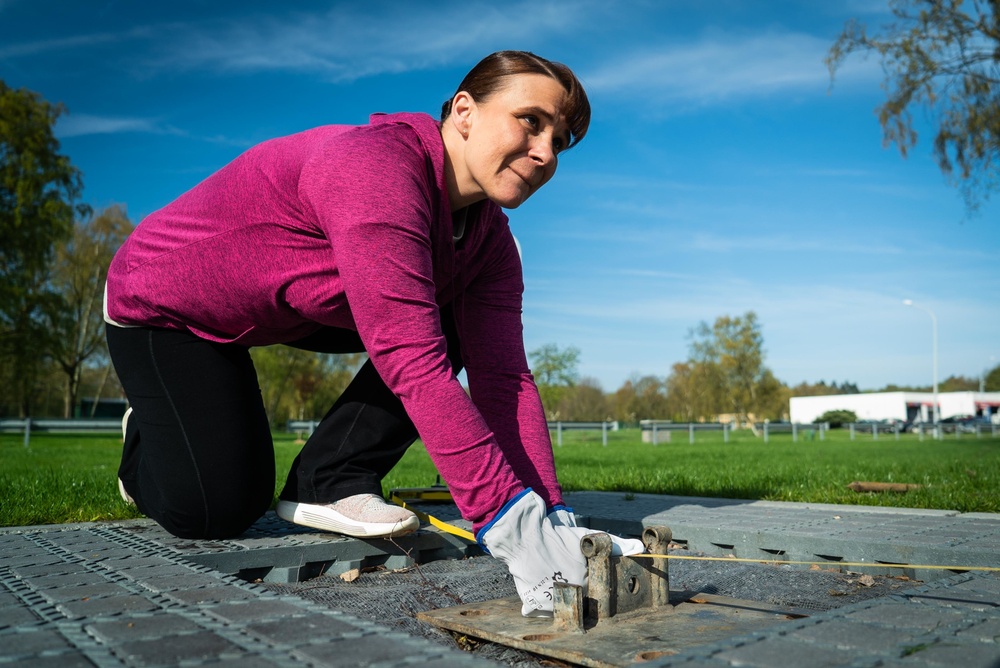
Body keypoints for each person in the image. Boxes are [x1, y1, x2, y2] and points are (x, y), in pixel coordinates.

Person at [104, 50, 642, 617]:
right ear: (464, 111)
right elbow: (411, 362)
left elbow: (504, 376)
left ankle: (328, 478)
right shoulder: (376, 170)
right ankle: (148, 437)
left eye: (561, 141)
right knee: (215, 510)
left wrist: (553, 515)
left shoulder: (492, 244)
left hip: (297, 304)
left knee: (453, 325)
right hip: (167, 307)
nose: (544, 153)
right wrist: (510, 520)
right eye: (531, 121)